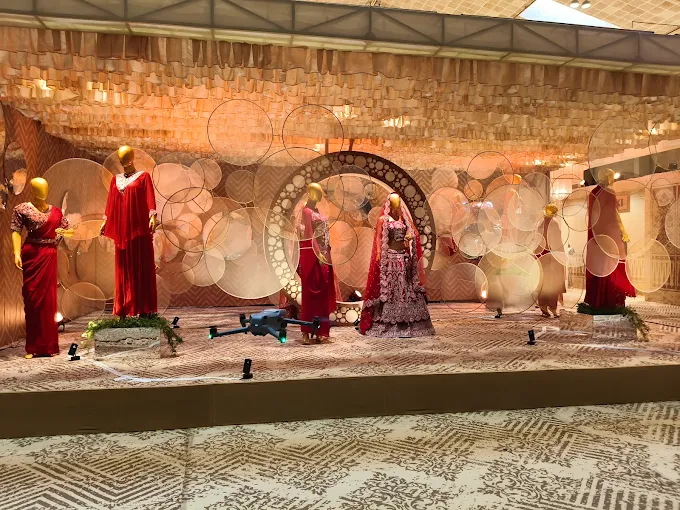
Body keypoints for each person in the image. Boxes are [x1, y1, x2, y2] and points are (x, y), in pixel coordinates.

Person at [10, 178, 73, 358]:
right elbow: (15, 230)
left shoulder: (57, 212)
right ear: (33, 190)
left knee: (48, 300)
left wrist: (62, 234)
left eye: (44, 188)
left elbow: (67, 232)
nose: (42, 192)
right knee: (32, 299)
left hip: (49, 255)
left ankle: (48, 346)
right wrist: (16, 253)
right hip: (32, 254)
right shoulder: (22, 209)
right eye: (38, 188)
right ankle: (32, 346)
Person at [360, 193, 435, 337]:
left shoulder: (404, 218)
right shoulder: (383, 219)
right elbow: (378, 237)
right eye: (394, 202)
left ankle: (410, 320)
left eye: (398, 202)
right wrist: (379, 253)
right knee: (391, 287)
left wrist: (410, 235)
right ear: (389, 203)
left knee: (407, 288)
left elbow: (415, 233)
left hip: (404, 258)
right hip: (390, 259)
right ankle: (387, 322)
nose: (396, 205)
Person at [100, 146, 158, 317]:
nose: (123, 160)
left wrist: (152, 215)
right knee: (124, 268)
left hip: (138, 229)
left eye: (126, 156)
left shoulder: (143, 177)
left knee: (141, 266)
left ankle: (143, 308)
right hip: (121, 231)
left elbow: (150, 198)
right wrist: (105, 221)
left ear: (132, 158)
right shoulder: (115, 180)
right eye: (121, 157)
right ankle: (124, 307)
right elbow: (111, 203)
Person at [584, 168, 636, 310]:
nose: (613, 180)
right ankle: (612, 301)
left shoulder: (593, 193)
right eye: (612, 176)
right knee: (614, 265)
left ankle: (598, 301)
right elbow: (613, 215)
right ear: (607, 177)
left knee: (601, 267)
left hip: (596, 237)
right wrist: (623, 231)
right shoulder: (608, 192)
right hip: (610, 235)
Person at [298, 183, 337, 344]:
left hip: (324, 255)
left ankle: (321, 330)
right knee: (310, 294)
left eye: (321, 193)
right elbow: (309, 233)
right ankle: (306, 331)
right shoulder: (306, 211)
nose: (320, 196)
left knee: (322, 294)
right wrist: (317, 252)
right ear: (310, 193)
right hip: (313, 256)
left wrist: (326, 252)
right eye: (317, 192)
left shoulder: (317, 211)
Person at [536, 204, 566, 318]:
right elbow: (557, 242)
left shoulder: (541, 224)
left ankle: (546, 306)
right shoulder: (552, 224)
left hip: (544, 256)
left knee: (545, 283)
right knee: (550, 283)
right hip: (550, 256)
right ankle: (550, 307)